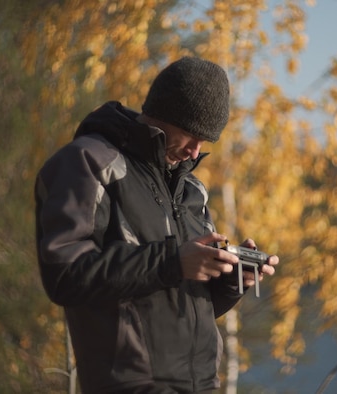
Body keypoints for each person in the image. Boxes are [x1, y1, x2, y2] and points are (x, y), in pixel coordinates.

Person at [34, 56, 279, 394]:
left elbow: (184, 305)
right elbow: (65, 276)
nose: (196, 153)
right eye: (191, 136)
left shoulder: (191, 190)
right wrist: (171, 261)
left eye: (206, 142)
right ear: (162, 115)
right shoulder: (89, 163)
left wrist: (232, 280)